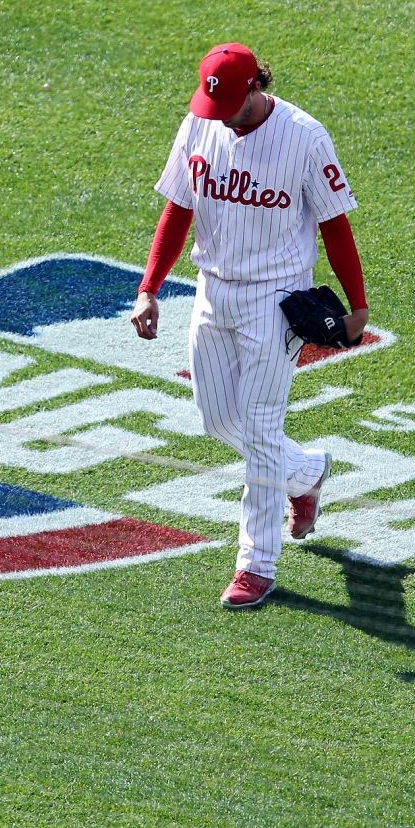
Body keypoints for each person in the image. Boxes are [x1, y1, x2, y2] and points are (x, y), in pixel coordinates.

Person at [130, 43, 369, 610]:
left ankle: (255, 565)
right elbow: (178, 210)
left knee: (260, 430)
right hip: (212, 291)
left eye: (232, 106)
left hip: (275, 299)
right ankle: (305, 473)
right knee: (216, 419)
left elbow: (336, 225)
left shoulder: (305, 136)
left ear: (257, 88)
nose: (221, 119)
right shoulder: (200, 122)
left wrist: (357, 304)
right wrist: (149, 288)